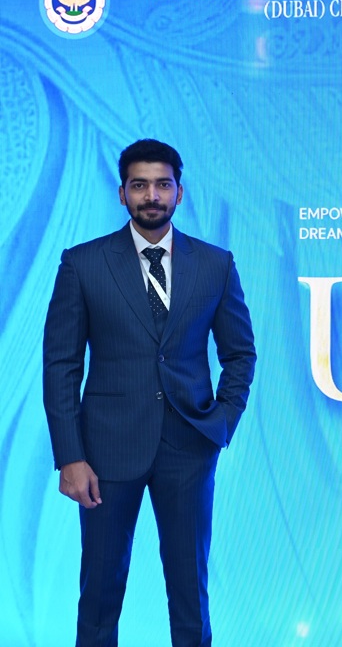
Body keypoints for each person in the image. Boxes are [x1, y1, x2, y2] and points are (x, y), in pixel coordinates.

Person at [43, 139, 255, 647]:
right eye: (139, 185)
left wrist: (220, 424)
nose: (152, 196)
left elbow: (240, 354)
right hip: (105, 453)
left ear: (180, 192)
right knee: (99, 590)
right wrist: (70, 456)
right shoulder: (83, 264)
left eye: (162, 184)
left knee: (190, 592)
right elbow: (61, 366)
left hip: (189, 448)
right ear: (122, 193)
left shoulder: (215, 264)